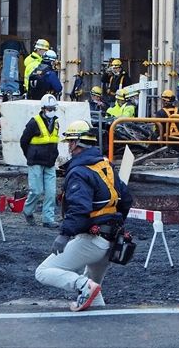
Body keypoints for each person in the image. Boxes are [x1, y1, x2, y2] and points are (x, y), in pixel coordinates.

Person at [34, 119, 133, 312]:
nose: (69, 147)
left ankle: (82, 286)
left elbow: (79, 208)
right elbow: (126, 199)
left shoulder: (79, 172)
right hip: (111, 241)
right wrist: (116, 224)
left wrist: (65, 234)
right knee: (93, 293)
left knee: (43, 272)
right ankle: (98, 329)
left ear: (77, 143)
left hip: (92, 240)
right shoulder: (105, 165)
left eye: (70, 142)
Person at [21, 94, 61, 228]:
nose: (51, 111)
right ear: (43, 109)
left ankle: (48, 219)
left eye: (53, 108)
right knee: (36, 191)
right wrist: (30, 156)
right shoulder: (34, 123)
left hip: (50, 162)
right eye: (49, 109)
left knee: (51, 192)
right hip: (36, 162)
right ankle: (28, 211)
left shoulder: (56, 123)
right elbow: (24, 141)